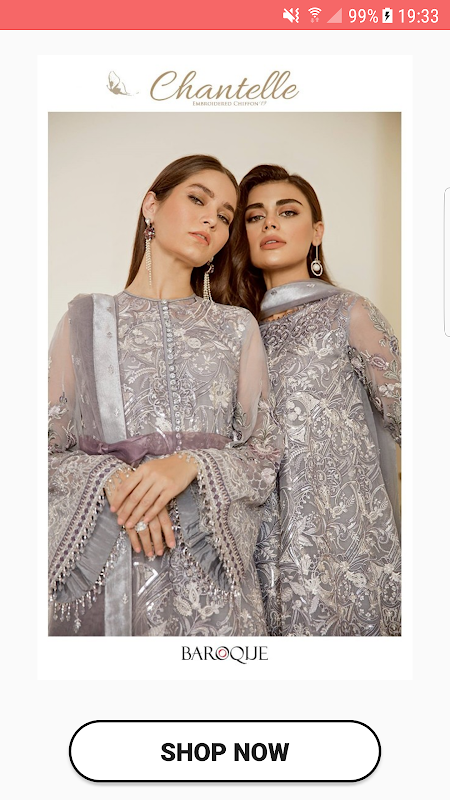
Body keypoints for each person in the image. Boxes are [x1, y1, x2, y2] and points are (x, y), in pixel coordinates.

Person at [48, 155, 281, 636]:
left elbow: (264, 450)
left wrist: (190, 465)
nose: (211, 221)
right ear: (150, 206)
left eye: (225, 216)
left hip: (207, 573)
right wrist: (116, 480)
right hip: (111, 557)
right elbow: (42, 449)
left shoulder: (236, 327)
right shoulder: (85, 319)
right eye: (197, 200)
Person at [231, 164, 401, 636]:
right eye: (254, 216)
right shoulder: (235, 331)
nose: (270, 223)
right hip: (258, 536)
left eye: (287, 212)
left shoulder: (348, 312)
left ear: (317, 232)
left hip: (341, 536)